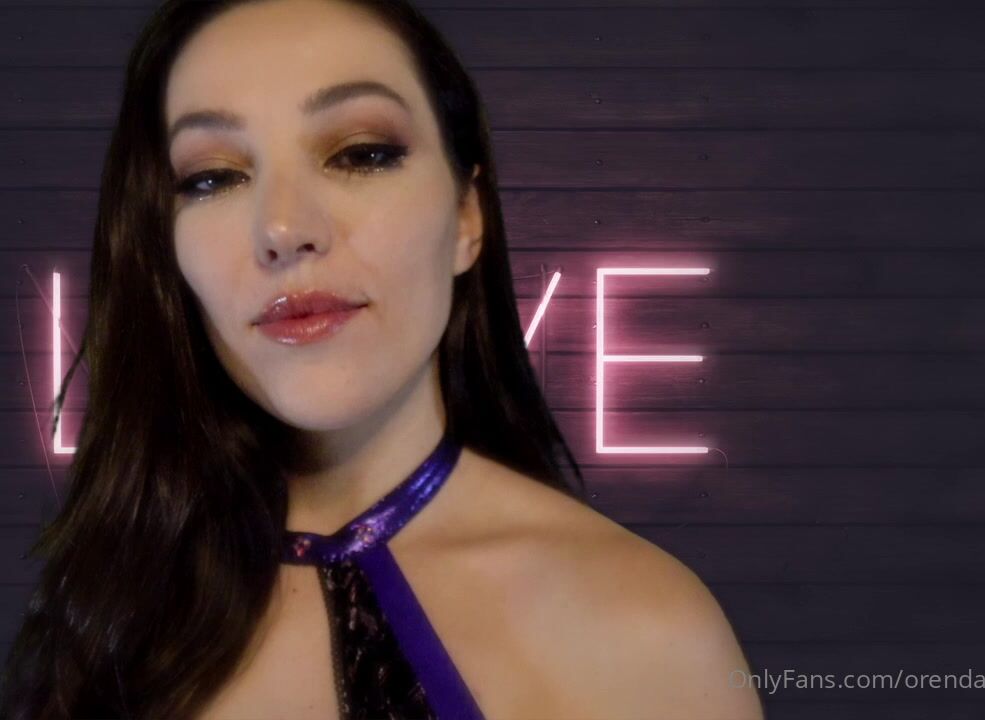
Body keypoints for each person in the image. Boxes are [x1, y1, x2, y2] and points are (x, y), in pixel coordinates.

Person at [0, 0, 765, 718]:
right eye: (212, 177)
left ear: (466, 217)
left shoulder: (643, 631)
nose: (283, 228)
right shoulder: (99, 605)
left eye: (360, 153)